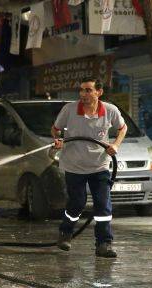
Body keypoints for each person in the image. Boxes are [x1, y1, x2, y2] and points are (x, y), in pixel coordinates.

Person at [51, 78, 127, 257]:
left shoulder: (110, 110)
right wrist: (57, 139)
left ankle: (104, 244)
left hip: (99, 165)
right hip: (74, 165)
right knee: (77, 202)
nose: (83, 94)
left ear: (99, 92)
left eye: (88, 90)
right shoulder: (69, 109)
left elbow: (123, 128)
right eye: (82, 90)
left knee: (103, 206)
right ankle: (65, 233)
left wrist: (115, 145)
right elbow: (55, 129)